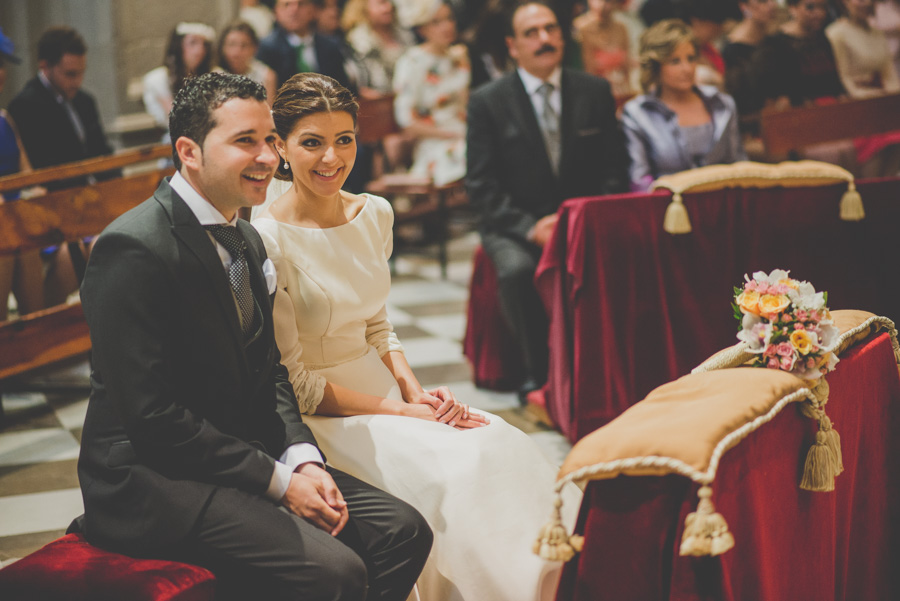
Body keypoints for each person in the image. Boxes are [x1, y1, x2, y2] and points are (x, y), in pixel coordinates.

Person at [75, 72, 432, 601]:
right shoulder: (134, 248)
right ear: (188, 151)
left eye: (269, 139)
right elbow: (152, 418)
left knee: (404, 530)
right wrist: (281, 483)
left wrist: (302, 458)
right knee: (336, 571)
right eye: (245, 141)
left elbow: (272, 372)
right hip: (152, 476)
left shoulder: (244, 237)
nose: (268, 156)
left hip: (240, 450)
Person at [254, 70, 579, 601]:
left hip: (383, 391)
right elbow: (297, 385)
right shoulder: (267, 238)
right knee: (457, 471)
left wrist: (413, 388)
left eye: (344, 140)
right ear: (281, 148)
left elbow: (378, 322)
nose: (331, 159)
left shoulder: (373, 212)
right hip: (325, 416)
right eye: (312, 143)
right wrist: (405, 413)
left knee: (497, 441)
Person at [466, 0, 629, 399]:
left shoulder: (594, 91)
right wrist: (527, 227)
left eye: (551, 29)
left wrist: (577, 218)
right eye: (531, 32)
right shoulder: (487, 100)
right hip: (515, 225)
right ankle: (537, 374)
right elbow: (481, 185)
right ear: (512, 45)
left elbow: (614, 170)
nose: (544, 39)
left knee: (626, 256)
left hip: (582, 218)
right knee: (518, 271)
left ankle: (607, 369)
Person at [8, 26, 116, 305]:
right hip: (56, 208)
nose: (77, 81)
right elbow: (39, 173)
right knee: (85, 250)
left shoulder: (85, 101)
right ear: (45, 66)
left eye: (81, 72)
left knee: (119, 239)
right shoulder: (25, 106)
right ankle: (57, 321)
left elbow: (102, 155)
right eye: (70, 74)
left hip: (91, 202)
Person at [622, 19, 746, 190]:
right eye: (675, 61)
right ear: (656, 66)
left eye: (691, 58)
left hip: (722, 205)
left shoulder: (722, 104)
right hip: (668, 209)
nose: (687, 68)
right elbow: (639, 181)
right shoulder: (638, 113)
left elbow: (739, 165)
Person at [392, 0, 469, 185]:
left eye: (449, 19)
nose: (447, 26)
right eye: (436, 22)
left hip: (463, 133)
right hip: (435, 142)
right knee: (474, 152)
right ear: (422, 29)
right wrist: (451, 134)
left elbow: (465, 107)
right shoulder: (412, 62)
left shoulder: (458, 57)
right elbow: (406, 120)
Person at [827, 0, 900, 176]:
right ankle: (869, 192)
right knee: (882, 140)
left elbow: (889, 74)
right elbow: (844, 79)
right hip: (856, 106)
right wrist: (874, 98)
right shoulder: (835, 33)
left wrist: (891, 97)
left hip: (882, 103)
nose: (864, 3)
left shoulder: (876, 33)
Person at [0, 27, 43, 320]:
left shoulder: (4, 119)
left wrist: (34, 192)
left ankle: (37, 338)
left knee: (24, 234)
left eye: (2, 65)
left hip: (17, 215)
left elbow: (28, 175)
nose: (1, 73)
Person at [257, 0, 353, 89]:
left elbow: (342, 86)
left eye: (301, 4)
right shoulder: (267, 48)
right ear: (276, 11)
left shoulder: (330, 45)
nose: (294, 10)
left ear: (312, 10)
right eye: (287, 5)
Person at [143, 22, 216, 136]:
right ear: (178, 46)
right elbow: (176, 119)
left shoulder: (215, 74)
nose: (199, 50)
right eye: (193, 43)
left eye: (204, 45)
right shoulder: (159, 78)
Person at [343, 0, 416, 95]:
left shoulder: (405, 35)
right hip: (379, 100)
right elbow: (362, 87)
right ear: (364, 8)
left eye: (390, 2)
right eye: (382, 3)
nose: (388, 7)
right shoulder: (357, 41)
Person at [722, 0, 778, 119]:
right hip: (750, 123)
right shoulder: (732, 50)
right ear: (744, 6)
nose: (771, 5)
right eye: (762, 1)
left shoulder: (775, 41)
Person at [572, 0, 634, 97]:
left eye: (609, 1)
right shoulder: (580, 28)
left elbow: (626, 67)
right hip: (592, 92)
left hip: (619, 92)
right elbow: (583, 70)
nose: (604, 6)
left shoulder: (621, 28)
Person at [218, 20, 278, 103]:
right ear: (222, 47)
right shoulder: (215, 74)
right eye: (232, 44)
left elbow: (269, 112)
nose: (237, 52)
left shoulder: (266, 76)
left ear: (255, 48)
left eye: (244, 45)